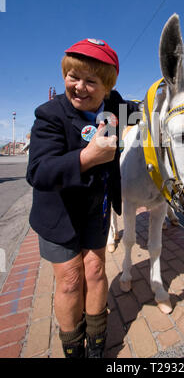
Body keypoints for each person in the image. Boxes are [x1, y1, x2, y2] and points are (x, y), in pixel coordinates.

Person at [26, 38, 140, 358]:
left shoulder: (117, 105)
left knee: (95, 270)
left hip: (95, 208)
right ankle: (73, 349)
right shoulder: (49, 115)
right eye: (72, 76)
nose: (78, 87)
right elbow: (38, 173)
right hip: (58, 212)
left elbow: (142, 113)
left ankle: (97, 345)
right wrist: (86, 157)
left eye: (91, 81)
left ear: (107, 86)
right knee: (70, 280)